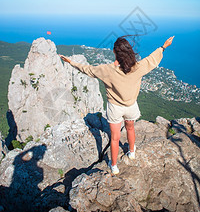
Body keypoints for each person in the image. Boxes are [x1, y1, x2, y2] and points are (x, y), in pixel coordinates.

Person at [59, 35, 174, 175]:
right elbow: (152, 59)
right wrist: (163, 47)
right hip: (131, 106)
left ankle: (113, 165)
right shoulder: (138, 67)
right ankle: (132, 152)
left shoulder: (107, 70)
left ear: (115, 52)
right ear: (129, 52)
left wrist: (71, 62)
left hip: (115, 108)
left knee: (115, 138)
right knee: (130, 128)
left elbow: (87, 69)